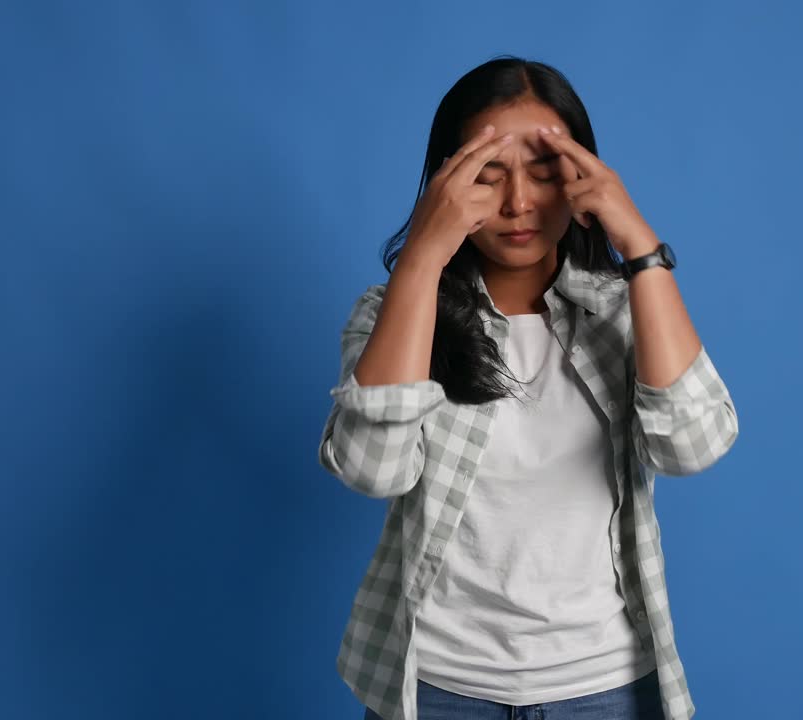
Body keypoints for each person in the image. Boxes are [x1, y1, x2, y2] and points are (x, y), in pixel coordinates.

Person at [317, 56, 740, 720]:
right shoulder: (390, 313)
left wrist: (641, 248)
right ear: (446, 184)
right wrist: (425, 255)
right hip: (436, 690)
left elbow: (692, 448)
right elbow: (373, 470)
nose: (518, 204)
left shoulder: (626, 312)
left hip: (605, 689)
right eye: (487, 176)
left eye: (545, 174)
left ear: (582, 180)